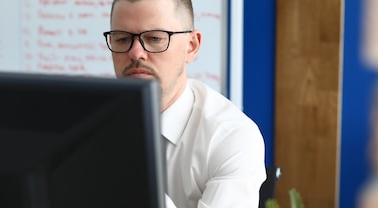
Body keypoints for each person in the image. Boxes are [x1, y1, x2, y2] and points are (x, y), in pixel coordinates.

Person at [104, 0, 266, 207]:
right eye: (122, 39)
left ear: (191, 46)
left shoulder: (231, 137)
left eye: (154, 38)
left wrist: (133, 179)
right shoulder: (87, 126)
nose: (135, 53)